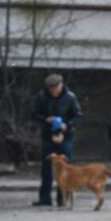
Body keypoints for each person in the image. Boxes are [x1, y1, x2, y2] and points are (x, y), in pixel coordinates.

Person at [31, 73, 82, 207]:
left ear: (61, 85)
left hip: (66, 136)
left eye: (56, 88)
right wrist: (45, 119)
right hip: (48, 135)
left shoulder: (70, 97)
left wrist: (68, 124)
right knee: (46, 168)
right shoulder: (42, 97)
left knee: (65, 167)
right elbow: (34, 114)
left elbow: (78, 115)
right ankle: (45, 198)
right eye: (51, 89)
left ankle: (62, 198)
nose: (54, 91)